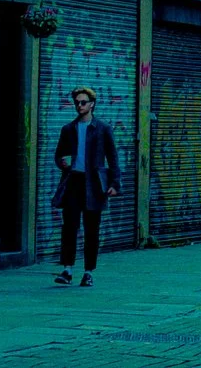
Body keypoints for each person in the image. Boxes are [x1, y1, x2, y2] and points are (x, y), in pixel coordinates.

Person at [53, 87, 120, 287]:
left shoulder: (103, 129)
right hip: (73, 182)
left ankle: (88, 271)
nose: (79, 106)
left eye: (83, 102)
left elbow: (113, 158)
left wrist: (115, 184)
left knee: (92, 230)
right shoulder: (68, 129)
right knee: (69, 227)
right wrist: (61, 162)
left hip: (95, 185)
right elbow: (59, 155)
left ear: (92, 104)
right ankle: (67, 269)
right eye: (77, 102)